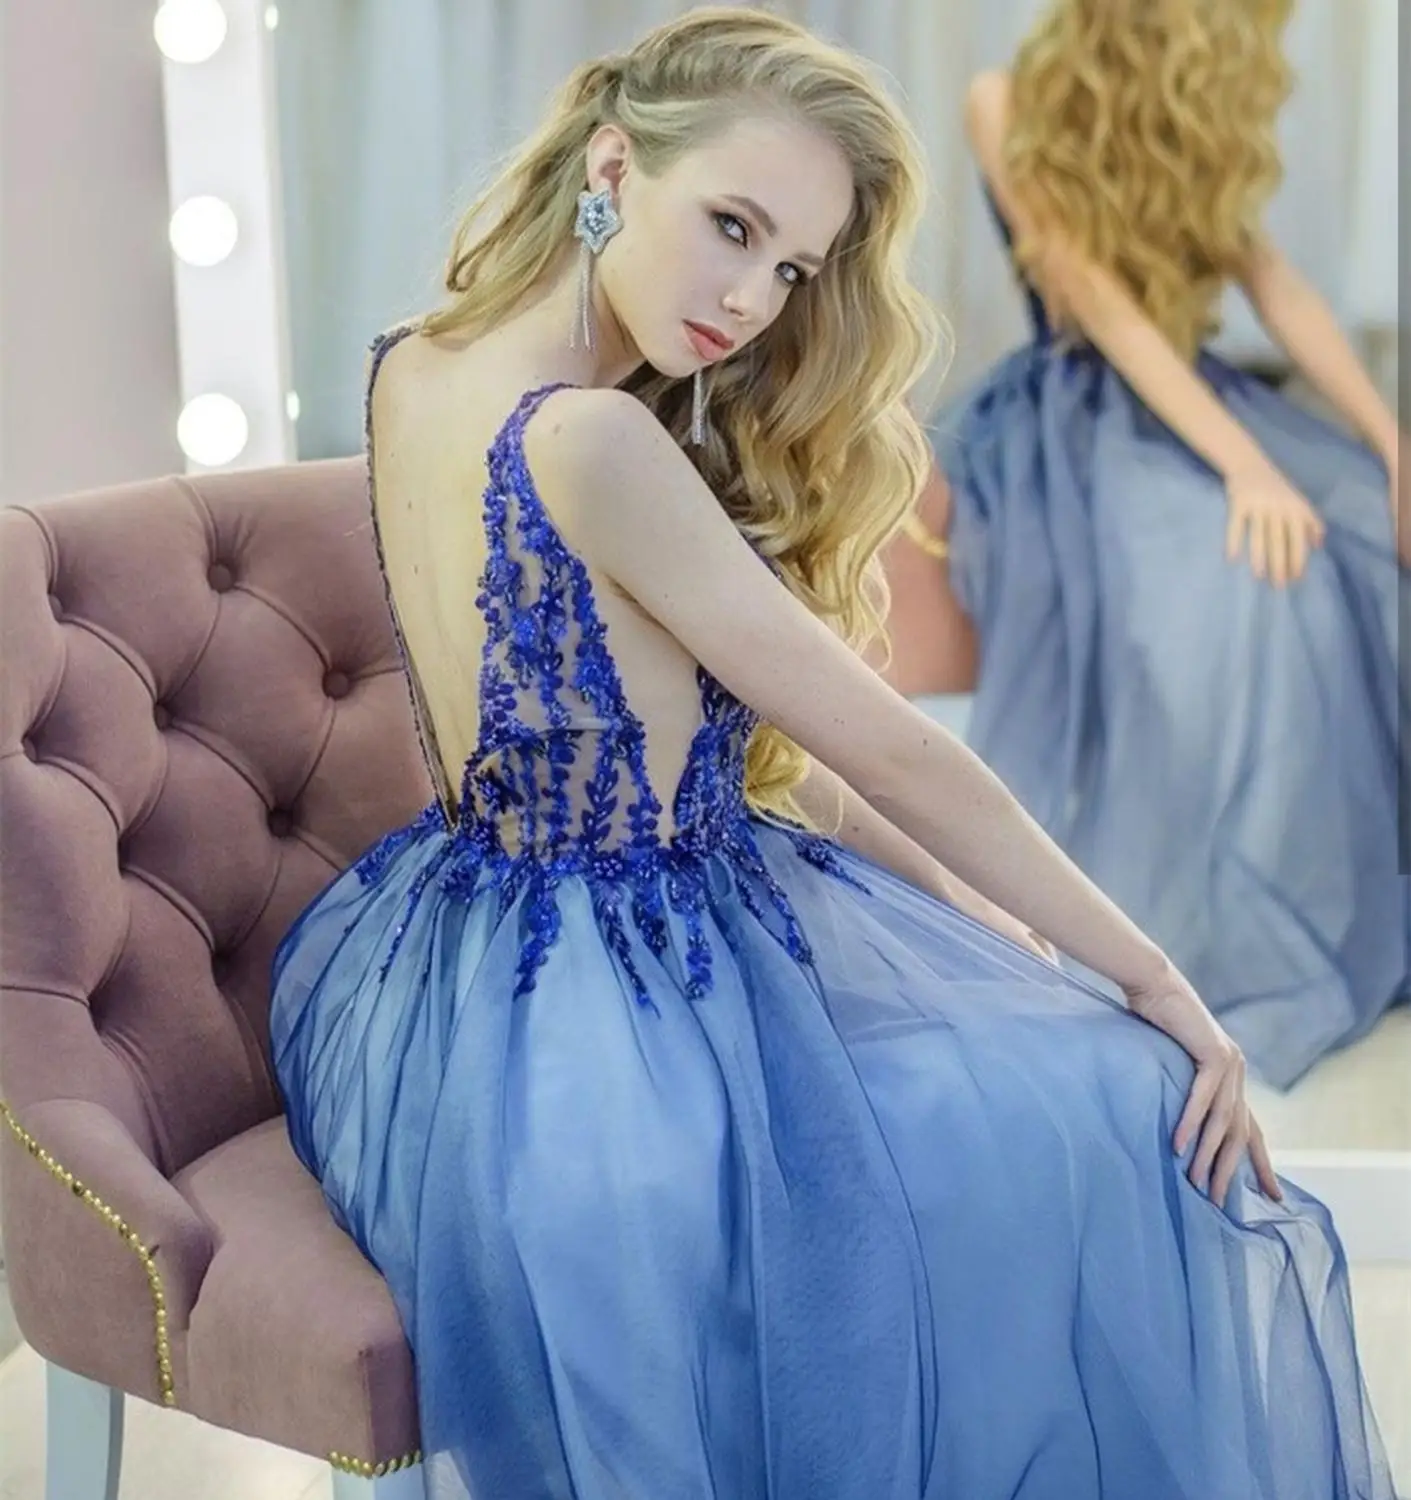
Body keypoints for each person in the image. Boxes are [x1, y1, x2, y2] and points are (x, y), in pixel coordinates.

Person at [270, 9, 1392, 1497]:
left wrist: (972, 908)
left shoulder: (409, 365)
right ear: (612, 167)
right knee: (1112, 1107)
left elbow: (706, 750)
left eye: (792, 268)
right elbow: (895, 752)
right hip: (625, 993)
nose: (750, 300)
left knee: (1030, 1058)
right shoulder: (593, 441)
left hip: (454, 950)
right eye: (730, 226)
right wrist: (1156, 980)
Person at [882, 0, 1407, 1090]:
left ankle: (1320, 884)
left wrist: (1393, 446)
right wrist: (1244, 465)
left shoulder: (1191, 116)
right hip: (1080, 418)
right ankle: (1182, 918)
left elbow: (1278, 289)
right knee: (1235, 581)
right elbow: (1102, 309)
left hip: (1195, 400)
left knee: (1360, 526)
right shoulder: (1002, 102)